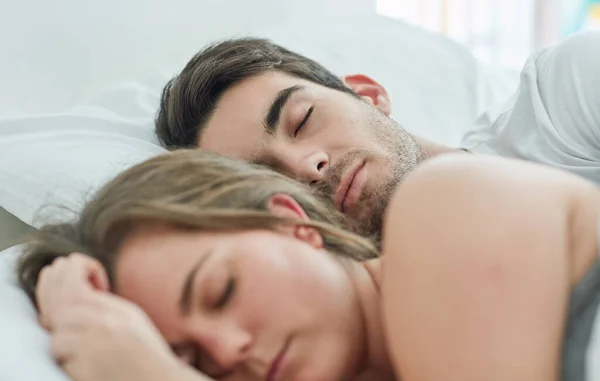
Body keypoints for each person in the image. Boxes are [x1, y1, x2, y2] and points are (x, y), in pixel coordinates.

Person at [16, 149, 600, 381]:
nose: (228, 349)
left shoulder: (445, 204)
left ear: (291, 221)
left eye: (222, 291)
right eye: (191, 360)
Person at [155, 31, 600, 239]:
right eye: (264, 176)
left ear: (368, 94)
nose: (305, 167)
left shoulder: (563, 96)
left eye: (303, 119)